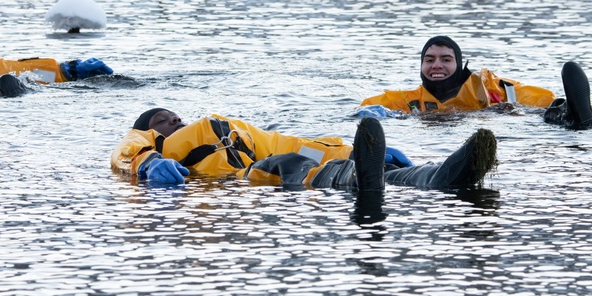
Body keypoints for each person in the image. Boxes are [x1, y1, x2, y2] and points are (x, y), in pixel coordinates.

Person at [110, 108, 498, 190]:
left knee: (298, 157)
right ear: (149, 128)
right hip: (243, 178)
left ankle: (432, 175)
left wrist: (346, 149)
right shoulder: (150, 143)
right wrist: (146, 166)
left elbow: (295, 143)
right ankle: (361, 175)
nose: (174, 122)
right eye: (164, 119)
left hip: (267, 162)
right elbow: (124, 154)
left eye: (177, 117)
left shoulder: (233, 130)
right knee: (287, 164)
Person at [358, 36, 592, 129]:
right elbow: (369, 108)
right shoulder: (410, 100)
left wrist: (562, 104)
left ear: (458, 63)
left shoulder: (487, 85)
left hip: (529, 120)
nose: (437, 65)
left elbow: (534, 98)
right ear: (421, 66)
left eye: (445, 59)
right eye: (429, 60)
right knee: (568, 119)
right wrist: (377, 115)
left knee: (553, 112)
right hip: (533, 125)